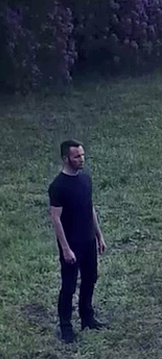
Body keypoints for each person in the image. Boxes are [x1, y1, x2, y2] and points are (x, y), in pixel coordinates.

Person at [48, 140, 107, 343]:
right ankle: (65, 326)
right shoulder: (58, 186)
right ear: (66, 159)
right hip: (71, 244)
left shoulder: (85, 180)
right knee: (69, 285)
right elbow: (55, 218)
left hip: (88, 240)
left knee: (91, 278)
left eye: (82, 155)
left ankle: (87, 317)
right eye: (76, 156)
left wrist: (99, 235)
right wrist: (65, 249)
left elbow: (90, 208)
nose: (81, 159)